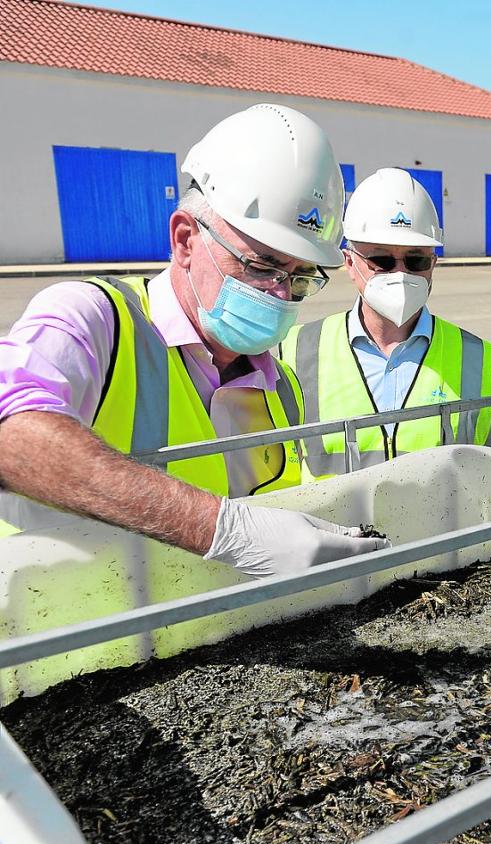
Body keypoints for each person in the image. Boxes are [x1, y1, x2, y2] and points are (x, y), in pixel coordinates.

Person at [0, 104, 389, 576]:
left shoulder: (278, 387)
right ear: (185, 240)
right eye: (262, 265)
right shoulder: (94, 320)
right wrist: (220, 529)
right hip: (56, 631)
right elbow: (11, 436)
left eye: (301, 275)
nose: (281, 293)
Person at [280, 168, 491, 479]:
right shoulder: (295, 352)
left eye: (416, 261)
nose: (400, 274)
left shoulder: (479, 359)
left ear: (433, 264)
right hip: (328, 529)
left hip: (444, 530)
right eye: (381, 260)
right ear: (350, 263)